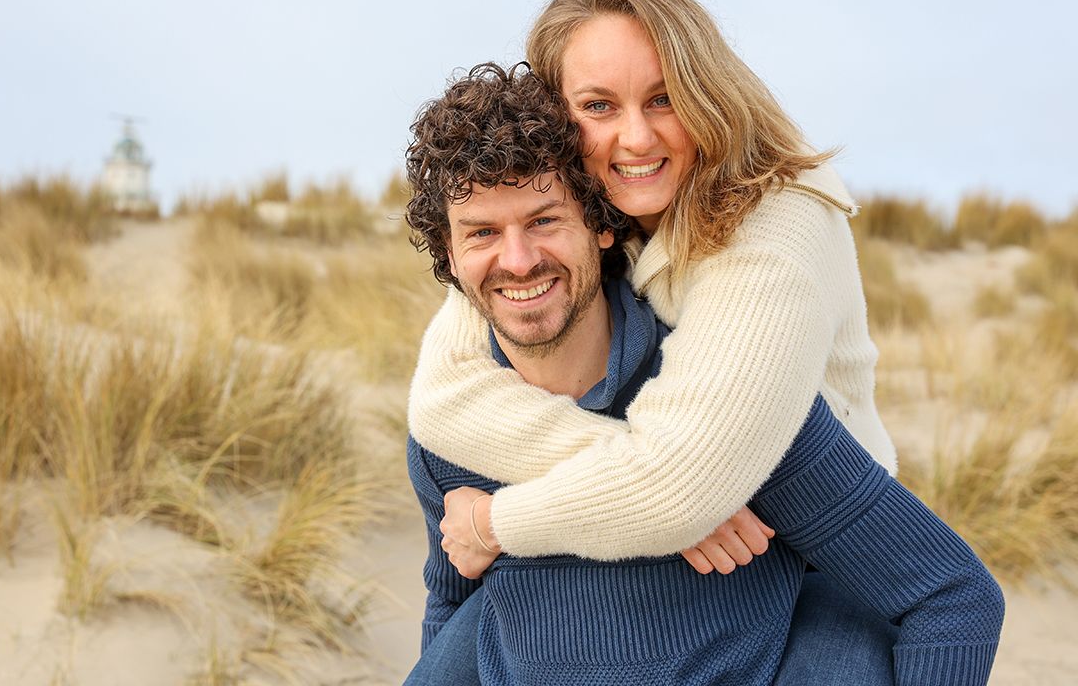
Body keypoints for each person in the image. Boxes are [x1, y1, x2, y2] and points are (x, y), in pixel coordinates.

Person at [400, 63, 1002, 686]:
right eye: (481, 233)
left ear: (603, 225)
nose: (518, 261)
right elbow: (451, 603)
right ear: (448, 254)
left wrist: (683, 491)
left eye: (545, 221)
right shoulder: (452, 436)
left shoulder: (729, 405)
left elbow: (951, 599)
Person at [408, 0, 901, 573]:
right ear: (558, 116)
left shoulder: (778, 227)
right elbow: (442, 398)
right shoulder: (577, 208)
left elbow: (677, 489)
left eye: (663, 98)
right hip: (699, 535)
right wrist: (624, 463)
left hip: (827, 553)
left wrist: (492, 523)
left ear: (706, 95)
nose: (636, 138)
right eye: (598, 106)